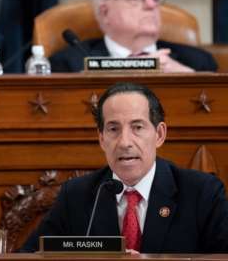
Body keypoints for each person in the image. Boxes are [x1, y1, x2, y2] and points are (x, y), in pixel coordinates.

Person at [21, 82, 228, 253]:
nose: (124, 142)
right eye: (113, 129)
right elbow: (30, 256)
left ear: (159, 134)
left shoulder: (202, 193)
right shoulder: (76, 195)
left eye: (137, 127)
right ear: (101, 139)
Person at [51, 0, 217, 73]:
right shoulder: (68, 64)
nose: (152, 5)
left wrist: (191, 80)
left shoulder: (198, 63)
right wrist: (136, 70)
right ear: (104, 11)